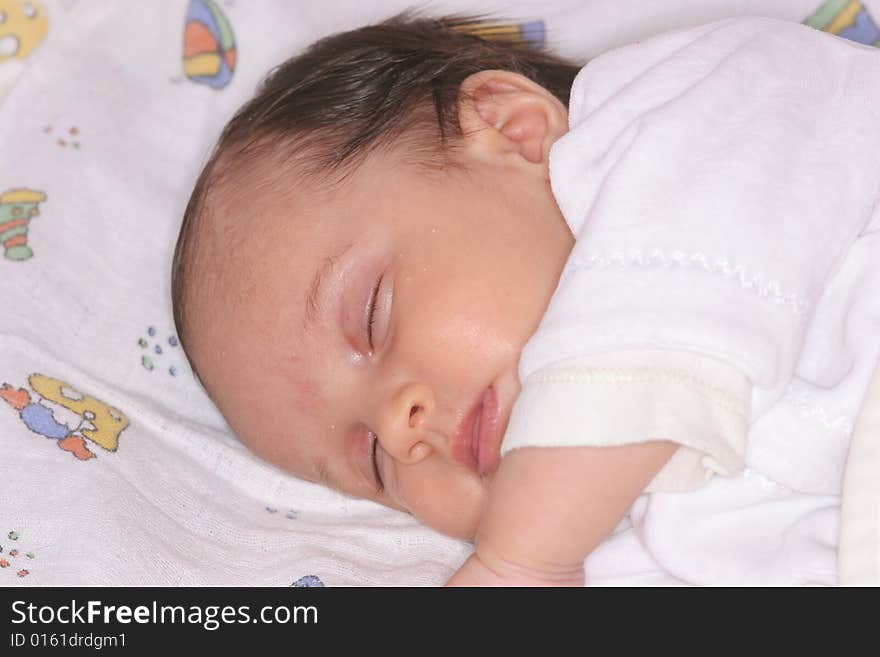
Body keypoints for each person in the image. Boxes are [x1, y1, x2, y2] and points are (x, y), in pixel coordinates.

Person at [171, 11, 880, 585]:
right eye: (373, 461)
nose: (400, 426)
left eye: (372, 315)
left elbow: (674, 304)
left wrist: (522, 558)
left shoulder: (710, 108)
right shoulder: (613, 540)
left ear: (516, 130)